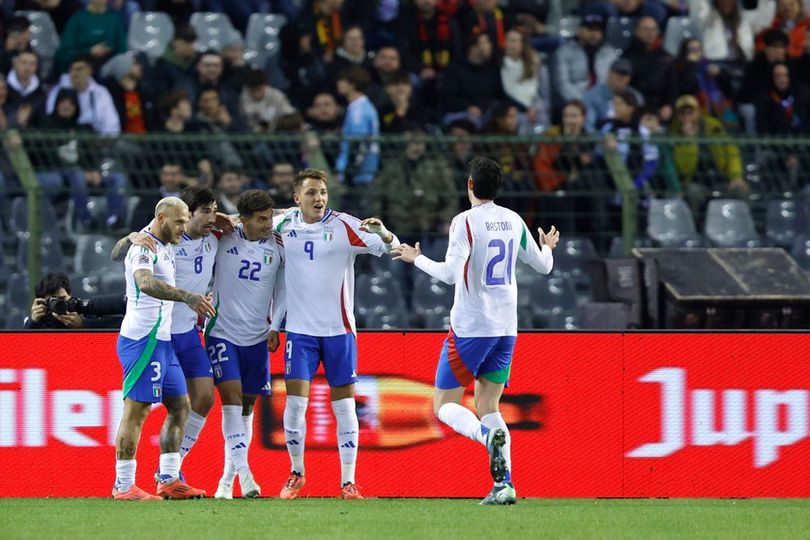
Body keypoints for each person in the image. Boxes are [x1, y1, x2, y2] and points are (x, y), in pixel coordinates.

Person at [390, 156, 559, 505]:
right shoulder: (513, 220)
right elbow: (543, 267)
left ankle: (485, 438)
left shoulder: (465, 222)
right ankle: (505, 484)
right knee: (489, 404)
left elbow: (450, 274)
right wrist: (547, 246)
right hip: (505, 329)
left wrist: (414, 257)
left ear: (469, 184)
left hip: (471, 328)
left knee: (444, 405)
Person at [274, 168, 400, 500]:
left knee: (344, 408)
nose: (319, 198)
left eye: (323, 192)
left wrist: (385, 234)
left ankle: (348, 482)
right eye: (312, 193)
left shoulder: (345, 225)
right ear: (297, 198)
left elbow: (392, 248)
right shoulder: (285, 225)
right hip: (299, 333)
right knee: (295, 407)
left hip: (339, 332)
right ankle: (296, 473)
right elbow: (251, 225)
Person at [112, 187, 227, 482]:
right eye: (179, 222)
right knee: (137, 410)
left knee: (181, 405)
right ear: (162, 218)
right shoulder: (144, 245)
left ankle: (169, 478)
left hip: (165, 338)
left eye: (186, 220)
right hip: (144, 338)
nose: (184, 227)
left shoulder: (164, 242)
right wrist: (187, 296)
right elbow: (145, 282)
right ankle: (123, 484)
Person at [206, 190, 286, 499]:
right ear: (244, 220)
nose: (268, 224)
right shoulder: (223, 235)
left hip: (257, 336)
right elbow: (187, 221)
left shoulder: (279, 245)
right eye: (261, 219)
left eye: (269, 217)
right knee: (231, 400)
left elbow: (283, 290)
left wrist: (276, 326)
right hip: (222, 331)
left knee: (247, 407)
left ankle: (226, 482)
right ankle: (246, 474)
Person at [24, 271, 125, 329]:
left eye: (62, 298)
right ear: (43, 303)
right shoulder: (41, 322)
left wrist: (84, 324)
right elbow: (23, 348)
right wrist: (33, 322)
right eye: (53, 301)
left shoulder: (84, 313)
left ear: (70, 295)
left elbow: (122, 324)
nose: (58, 304)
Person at [335, 66, 380, 186]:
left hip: (358, 176)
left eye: (342, 80)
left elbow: (359, 143)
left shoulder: (358, 110)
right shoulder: (359, 106)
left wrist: (350, 172)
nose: (338, 83)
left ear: (352, 84)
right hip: (360, 173)